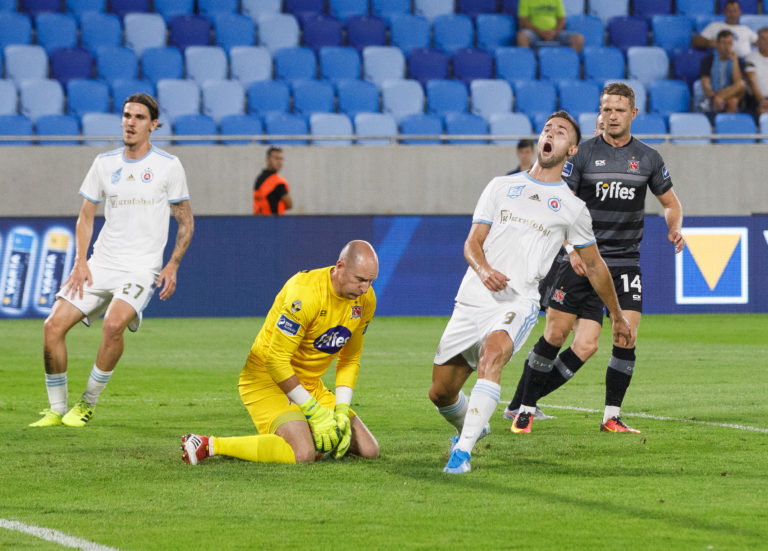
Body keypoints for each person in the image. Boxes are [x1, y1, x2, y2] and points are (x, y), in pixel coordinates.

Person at [429, 110, 632, 475]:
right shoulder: (499, 187)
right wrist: (485, 269)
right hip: (473, 297)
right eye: (547, 129)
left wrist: (616, 314)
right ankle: (471, 424)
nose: (550, 134)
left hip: (518, 301)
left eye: (561, 132)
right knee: (440, 393)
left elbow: (597, 266)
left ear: (571, 150)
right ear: (541, 140)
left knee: (493, 355)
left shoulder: (572, 208)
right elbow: (472, 243)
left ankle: (463, 452)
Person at [503, 82, 685, 435]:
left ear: (633, 114)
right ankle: (523, 406)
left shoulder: (649, 158)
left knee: (611, 339)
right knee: (555, 334)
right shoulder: (582, 155)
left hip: (624, 262)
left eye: (618, 110)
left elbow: (671, 204)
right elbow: (559, 203)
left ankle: (609, 417)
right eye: (605, 109)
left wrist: (674, 228)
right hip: (581, 260)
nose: (611, 116)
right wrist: (571, 248)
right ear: (599, 114)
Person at [30, 93, 195, 428]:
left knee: (113, 324)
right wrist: (81, 262)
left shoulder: (168, 166)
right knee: (52, 327)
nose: (130, 122)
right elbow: (86, 217)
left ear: (153, 125)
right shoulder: (105, 164)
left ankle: (87, 402)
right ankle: (57, 410)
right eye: (126, 116)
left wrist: (172, 264)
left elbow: (186, 220)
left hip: (140, 267)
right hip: (100, 263)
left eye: (138, 117)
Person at [181, 241, 379, 465]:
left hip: (308, 384)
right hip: (265, 379)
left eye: (371, 281)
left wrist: (342, 407)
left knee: (368, 449)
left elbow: (350, 358)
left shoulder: (366, 300)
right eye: (360, 280)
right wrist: (313, 409)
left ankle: (308, 434)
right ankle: (208, 444)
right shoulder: (305, 294)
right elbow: (276, 361)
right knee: (301, 454)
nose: (365, 288)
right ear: (340, 266)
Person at [698, 29, 748, 114]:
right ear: (717, 44)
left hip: (731, 92)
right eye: (723, 43)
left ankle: (719, 99)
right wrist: (713, 97)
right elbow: (705, 85)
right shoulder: (708, 60)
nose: (727, 46)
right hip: (713, 93)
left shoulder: (738, 60)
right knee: (733, 101)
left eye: (729, 43)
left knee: (741, 85)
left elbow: (738, 83)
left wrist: (735, 61)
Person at [692, 0, 757, 59]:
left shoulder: (745, 29)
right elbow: (696, 41)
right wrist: (710, 43)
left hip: (745, 62)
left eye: (735, 11)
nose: (732, 14)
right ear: (724, 12)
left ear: (740, 12)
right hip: (723, 61)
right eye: (729, 11)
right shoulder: (715, 26)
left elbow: (761, 43)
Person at [516, 0, 584, 53]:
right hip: (534, 32)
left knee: (578, 39)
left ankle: (565, 63)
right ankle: (528, 65)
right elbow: (523, 21)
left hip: (555, 32)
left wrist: (554, 32)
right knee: (522, 37)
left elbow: (562, 20)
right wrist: (540, 32)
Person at [253, 146, 292, 215]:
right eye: (276, 158)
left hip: (258, 221)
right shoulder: (278, 182)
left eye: (281, 159)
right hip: (274, 222)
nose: (279, 162)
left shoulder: (259, 179)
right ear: (268, 159)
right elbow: (290, 204)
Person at [745, 27, 768, 115]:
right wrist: (762, 100)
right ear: (758, 41)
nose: (766, 42)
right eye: (763, 38)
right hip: (757, 99)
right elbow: (751, 81)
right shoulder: (750, 57)